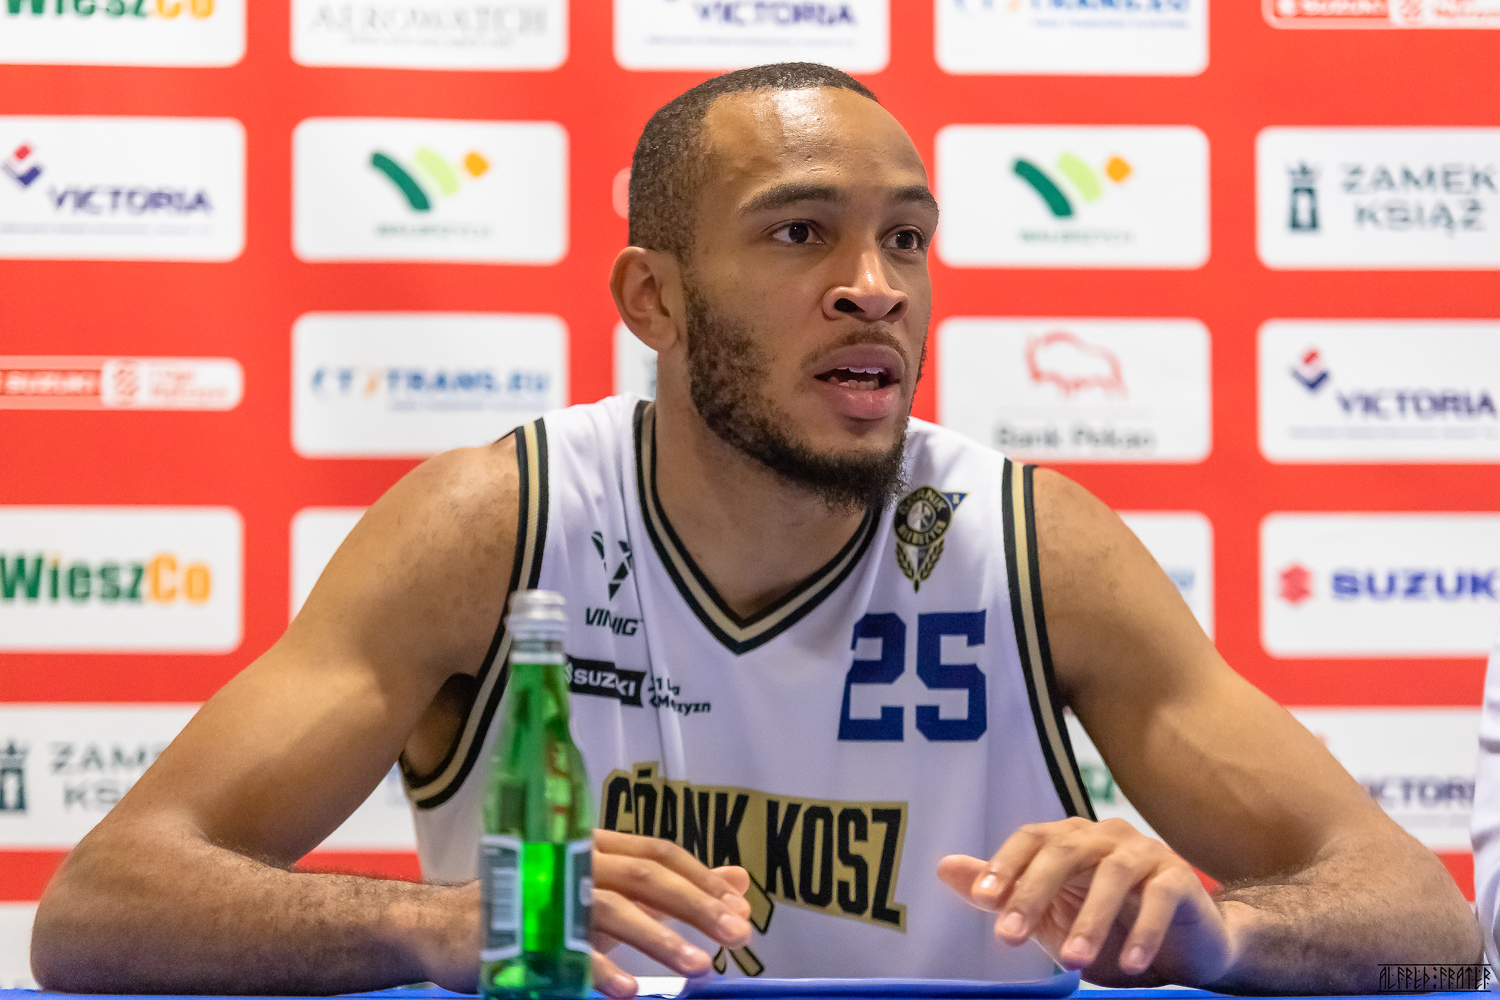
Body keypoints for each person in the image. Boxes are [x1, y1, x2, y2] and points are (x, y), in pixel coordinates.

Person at [32, 62, 1478, 997]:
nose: (875, 286)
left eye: (905, 237)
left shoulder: (1036, 548)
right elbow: (99, 909)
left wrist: (1229, 935)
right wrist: (436, 923)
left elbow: (1422, 920)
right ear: (652, 300)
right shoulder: (495, 523)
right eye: (801, 233)